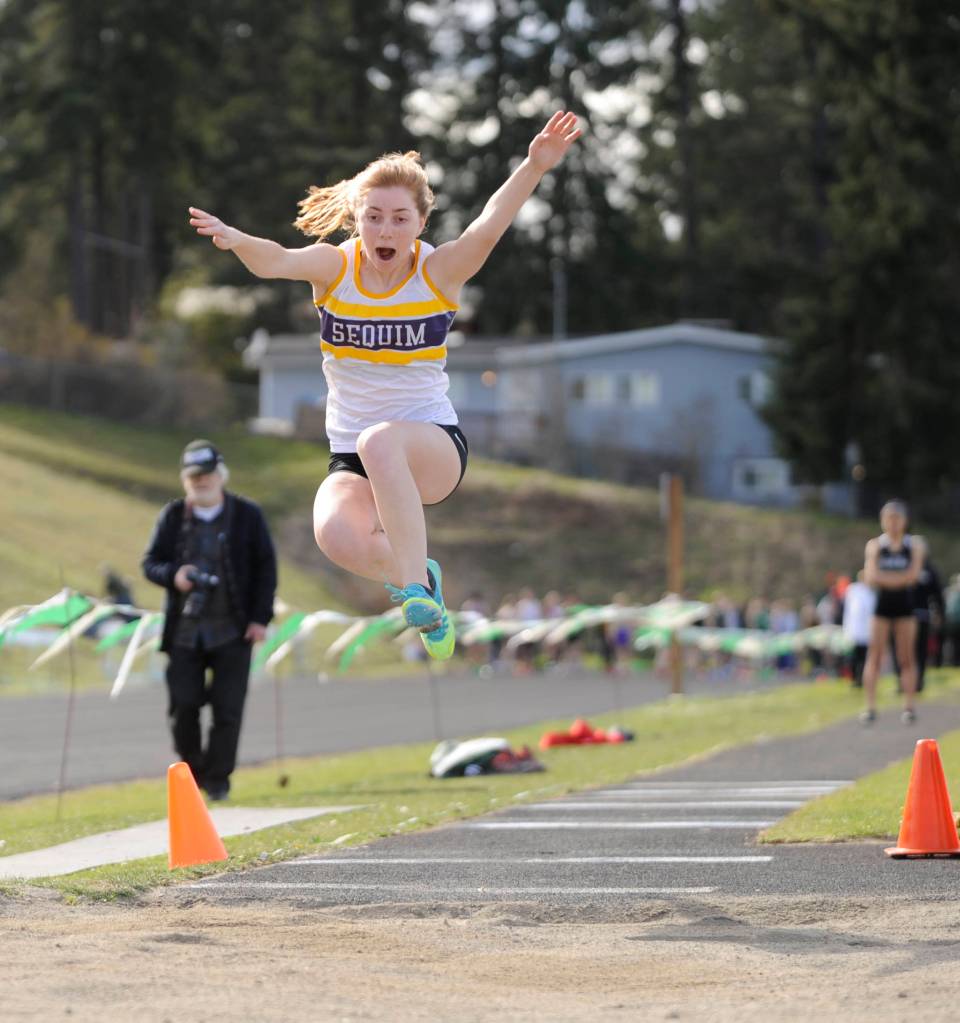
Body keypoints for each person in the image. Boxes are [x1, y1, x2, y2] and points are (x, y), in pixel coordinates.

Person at [188, 111, 582, 662]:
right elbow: (275, 260)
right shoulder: (335, 267)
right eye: (373, 218)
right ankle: (421, 578)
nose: (385, 231)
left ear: (420, 224)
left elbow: (490, 224)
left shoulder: (438, 272)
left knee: (381, 440)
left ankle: (413, 593)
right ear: (357, 221)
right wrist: (235, 240)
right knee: (335, 535)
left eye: (399, 219)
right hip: (351, 454)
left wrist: (534, 166)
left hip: (430, 445)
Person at [142, 440, 277, 800]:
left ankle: (219, 781)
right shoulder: (172, 517)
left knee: (227, 709)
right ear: (186, 480)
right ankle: (195, 771)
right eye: (194, 476)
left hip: (234, 630)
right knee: (183, 706)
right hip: (185, 631)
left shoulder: (248, 515)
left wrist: (260, 618)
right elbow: (150, 563)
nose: (201, 482)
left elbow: (266, 568)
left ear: (221, 475)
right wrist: (175, 575)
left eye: (207, 474)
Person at [861, 500, 925, 725]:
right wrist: (899, 579)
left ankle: (909, 706)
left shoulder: (913, 545)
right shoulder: (876, 546)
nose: (894, 523)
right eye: (889, 519)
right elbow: (871, 576)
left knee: (906, 657)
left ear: (905, 521)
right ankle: (870, 707)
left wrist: (887, 579)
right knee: (875, 656)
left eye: (897, 518)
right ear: (883, 521)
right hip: (882, 608)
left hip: (905, 608)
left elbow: (914, 575)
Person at [842, 570, 876, 688]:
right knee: (854, 657)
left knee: (864, 657)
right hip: (855, 630)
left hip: (866, 632)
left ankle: (861, 679)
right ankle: (854, 678)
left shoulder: (870, 593)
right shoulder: (853, 591)